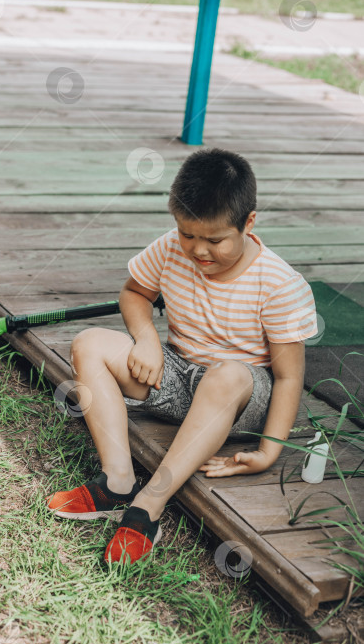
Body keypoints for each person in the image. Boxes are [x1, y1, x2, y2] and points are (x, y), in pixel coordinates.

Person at [46, 148, 317, 565]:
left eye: (214, 240)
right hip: (178, 372)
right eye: (187, 234)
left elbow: (287, 378)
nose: (198, 250)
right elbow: (135, 292)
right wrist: (146, 340)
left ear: (248, 223)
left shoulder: (279, 284)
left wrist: (269, 451)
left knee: (225, 375)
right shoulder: (172, 248)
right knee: (89, 343)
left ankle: (148, 507)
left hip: (241, 393)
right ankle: (116, 482)